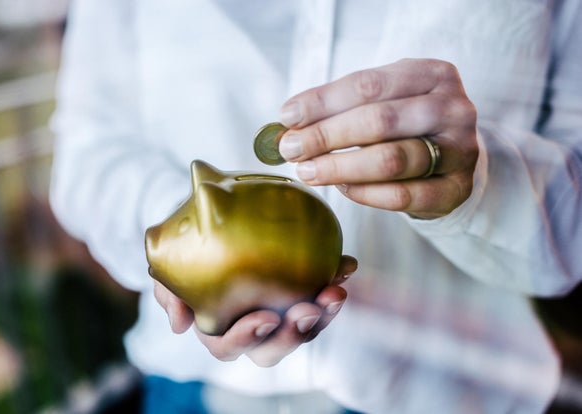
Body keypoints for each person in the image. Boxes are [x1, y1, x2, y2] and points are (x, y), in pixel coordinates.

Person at [49, 1, 582, 413]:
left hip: (462, 392)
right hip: (198, 388)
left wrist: (482, 178)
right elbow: (88, 148)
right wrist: (189, 239)